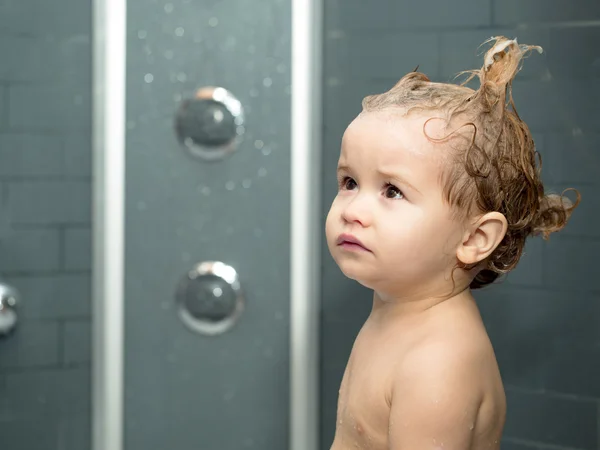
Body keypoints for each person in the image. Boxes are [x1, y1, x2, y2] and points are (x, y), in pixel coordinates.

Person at [325, 36, 579, 450]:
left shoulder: (437, 361)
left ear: (476, 238)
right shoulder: (398, 311)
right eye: (350, 182)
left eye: (392, 191)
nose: (353, 210)